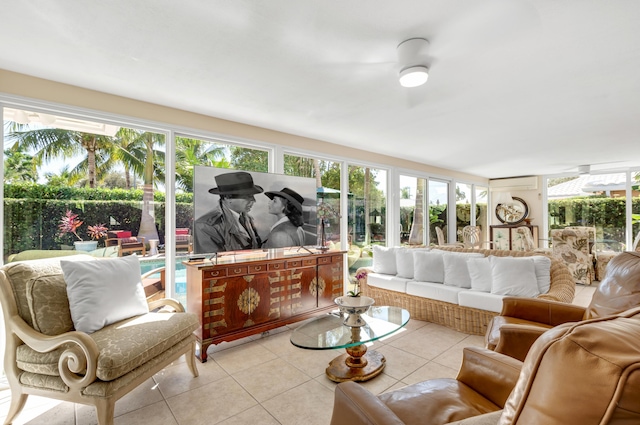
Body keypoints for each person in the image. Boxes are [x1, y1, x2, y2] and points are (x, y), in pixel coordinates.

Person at [194, 171, 263, 253]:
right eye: (247, 197)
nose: (253, 201)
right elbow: (211, 261)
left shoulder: (247, 219)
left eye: (252, 196)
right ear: (228, 198)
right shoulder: (206, 225)